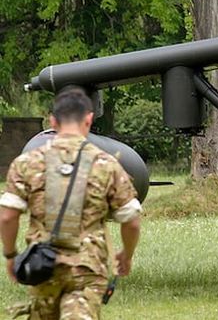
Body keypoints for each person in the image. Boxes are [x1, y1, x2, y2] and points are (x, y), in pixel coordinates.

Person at [1, 86, 142, 319]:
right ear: (88, 120)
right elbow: (132, 220)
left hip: (43, 266)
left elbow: (7, 216)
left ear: (52, 121)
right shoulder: (106, 164)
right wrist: (125, 255)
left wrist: (10, 256)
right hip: (87, 269)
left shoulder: (26, 163)